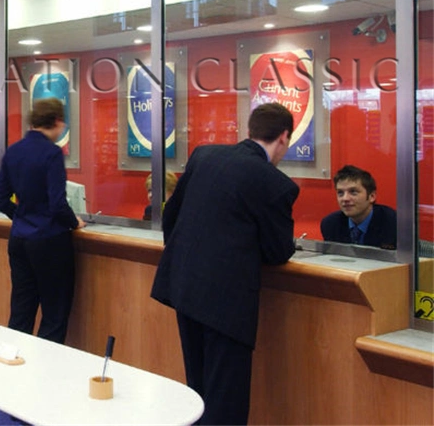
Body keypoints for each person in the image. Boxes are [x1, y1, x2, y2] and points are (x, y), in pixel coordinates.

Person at [151, 102, 299, 425]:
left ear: (250, 131)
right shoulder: (275, 183)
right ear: (284, 137)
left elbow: (171, 216)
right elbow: (277, 251)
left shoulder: (204, 155)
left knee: (198, 390)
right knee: (226, 401)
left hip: (184, 288)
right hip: (227, 304)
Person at [0, 97, 85, 344]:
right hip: (49, 242)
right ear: (56, 121)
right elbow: (57, 203)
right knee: (54, 314)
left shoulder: (13, 151)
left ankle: (14, 368)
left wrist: (22, 216)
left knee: (21, 310)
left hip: (19, 239)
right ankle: (45, 373)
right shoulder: (52, 153)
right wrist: (74, 222)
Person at [320, 164, 397, 249]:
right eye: (340, 193)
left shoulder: (394, 224)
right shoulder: (330, 224)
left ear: (372, 196)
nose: (345, 198)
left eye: (353, 192)